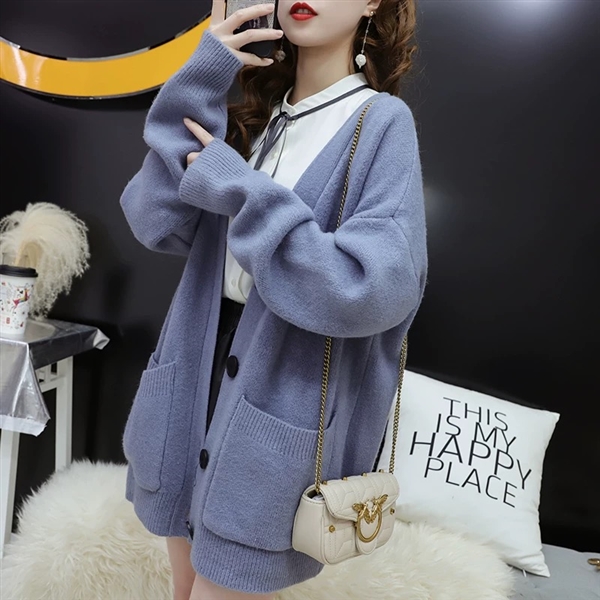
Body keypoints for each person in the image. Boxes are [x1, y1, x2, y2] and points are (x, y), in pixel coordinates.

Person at [119, 0, 427, 598]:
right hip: (192, 388)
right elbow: (153, 219)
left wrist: (239, 187)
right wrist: (201, 76)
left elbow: (369, 287)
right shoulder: (259, 120)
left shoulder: (381, 123)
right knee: (181, 587)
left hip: (275, 400)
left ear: (373, 3)